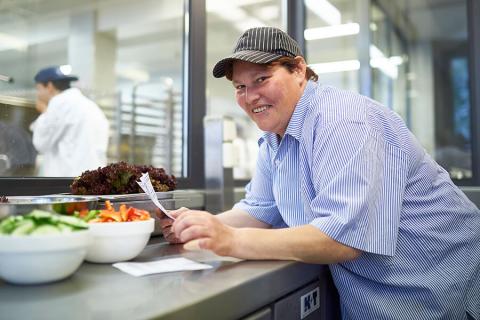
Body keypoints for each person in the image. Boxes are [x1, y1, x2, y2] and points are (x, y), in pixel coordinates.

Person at [158, 27, 480, 320]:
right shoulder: (275, 139)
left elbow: (341, 238)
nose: (249, 96)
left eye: (261, 79)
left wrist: (231, 240)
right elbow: (258, 209)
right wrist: (198, 226)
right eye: (240, 86)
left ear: (299, 70)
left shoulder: (341, 121)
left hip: (448, 289)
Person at [30, 66, 109, 176]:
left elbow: (41, 143)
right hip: (94, 178)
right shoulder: (90, 105)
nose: (38, 94)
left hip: (69, 179)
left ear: (49, 86)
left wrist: (44, 111)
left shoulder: (59, 103)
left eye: (38, 89)